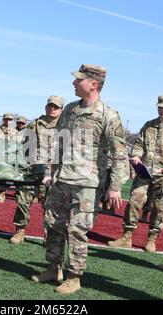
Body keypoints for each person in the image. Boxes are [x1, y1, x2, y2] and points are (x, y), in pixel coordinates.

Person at [31, 64, 129, 294]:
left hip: (87, 184)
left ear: (93, 84)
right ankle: (53, 267)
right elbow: (58, 143)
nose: (74, 83)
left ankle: (74, 277)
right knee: (53, 224)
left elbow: (119, 153)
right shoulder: (70, 110)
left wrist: (114, 187)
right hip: (62, 179)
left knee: (77, 229)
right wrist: (49, 172)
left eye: (78, 80)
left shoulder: (108, 115)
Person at [108, 96, 163, 252]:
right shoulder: (148, 126)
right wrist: (136, 154)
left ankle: (152, 239)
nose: (162, 110)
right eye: (160, 107)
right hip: (145, 172)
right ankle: (127, 237)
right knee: (134, 201)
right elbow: (139, 143)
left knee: (160, 208)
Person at [9, 96, 64, 244]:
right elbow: (25, 145)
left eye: (56, 107)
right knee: (22, 200)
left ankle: (48, 235)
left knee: (50, 205)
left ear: (61, 110)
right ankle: (20, 231)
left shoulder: (65, 126)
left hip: (53, 172)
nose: (52, 108)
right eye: (50, 106)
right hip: (33, 169)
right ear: (45, 107)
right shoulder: (35, 124)